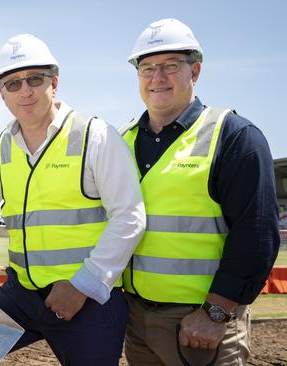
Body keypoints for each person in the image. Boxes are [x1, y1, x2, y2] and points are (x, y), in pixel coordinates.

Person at [0, 33, 145, 365]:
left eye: (34, 79)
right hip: (21, 294)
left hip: (87, 300)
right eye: (13, 84)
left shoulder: (95, 135)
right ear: (2, 94)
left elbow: (129, 217)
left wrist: (82, 286)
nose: (25, 90)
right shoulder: (1, 145)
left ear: (54, 82)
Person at [121, 18, 280, 365]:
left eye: (170, 66)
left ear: (195, 70)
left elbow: (256, 236)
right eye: (147, 68)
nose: (157, 78)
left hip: (202, 326)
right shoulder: (122, 141)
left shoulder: (235, 136)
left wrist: (216, 313)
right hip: (136, 324)